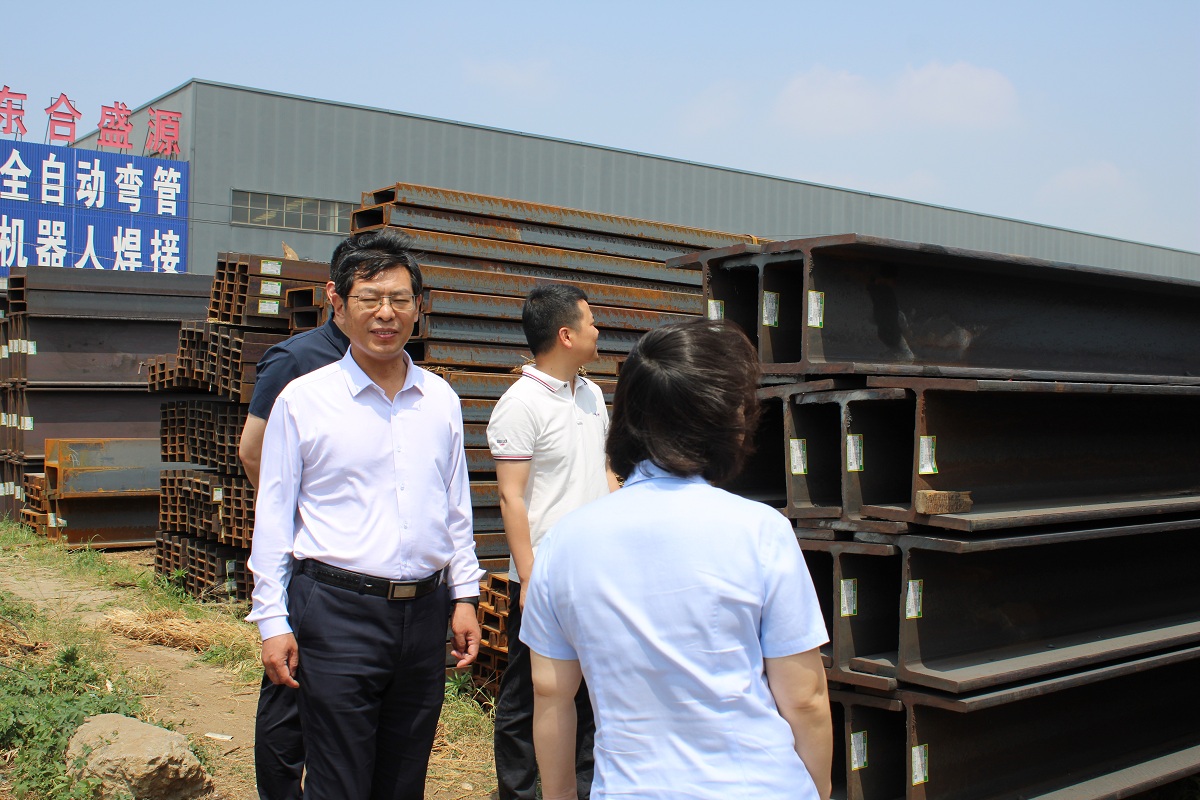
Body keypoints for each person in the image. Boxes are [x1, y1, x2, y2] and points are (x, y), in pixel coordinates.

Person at [522, 319, 833, 800]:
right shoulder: (760, 531)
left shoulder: (563, 542)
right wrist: (818, 788)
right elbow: (805, 699)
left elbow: (550, 693)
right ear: (723, 420)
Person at [246, 229, 484, 800]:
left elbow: (455, 509)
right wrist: (272, 620)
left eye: (400, 299)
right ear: (339, 303)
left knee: (404, 778)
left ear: (418, 307)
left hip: (424, 614)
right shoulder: (304, 400)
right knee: (340, 780)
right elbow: (273, 519)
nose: (385, 314)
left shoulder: (440, 400)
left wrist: (466, 596)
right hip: (336, 612)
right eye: (370, 299)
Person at [487, 284, 618, 800]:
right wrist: (530, 578)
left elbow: (606, 474)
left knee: (588, 696)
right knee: (528, 695)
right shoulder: (520, 404)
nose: (598, 330)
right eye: (591, 321)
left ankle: (582, 789)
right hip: (546, 577)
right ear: (566, 335)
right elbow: (511, 497)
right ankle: (518, 792)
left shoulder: (592, 394)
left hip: (596, 572)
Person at [239, 248, 352, 800]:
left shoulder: (393, 367)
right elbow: (252, 451)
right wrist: (293, 526)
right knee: (290, 688)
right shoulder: (296, 359)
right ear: (337, 294)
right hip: (304, 560)